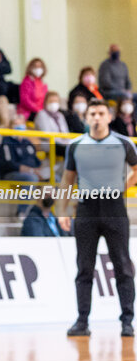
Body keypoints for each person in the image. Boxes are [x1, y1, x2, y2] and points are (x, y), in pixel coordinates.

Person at [59, 99, 137, 337]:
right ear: (86, 117)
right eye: (92, 113)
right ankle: (82, 321)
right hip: (86, 210)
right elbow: (67, 180)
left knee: (123, 266)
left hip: (115, 209)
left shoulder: (123, 144)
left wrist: (123, 186)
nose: (96, 117)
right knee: (84, 267)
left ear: (109, 117)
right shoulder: (76, 145)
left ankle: (127, 321)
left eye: (101, 113)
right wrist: (62, 211)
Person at [0, 114, 45, 216]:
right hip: (12, 174)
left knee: (56, 179)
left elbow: (37, 162)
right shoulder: (7, 142)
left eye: (21, 124)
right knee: (31, 178)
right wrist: (31, 171)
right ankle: (22, 212)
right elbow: (9, 164)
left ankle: (46, 211)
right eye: (16, 124)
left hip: (32, 173)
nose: (20, 127)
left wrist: (40, 171)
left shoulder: (27, 143)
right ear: (11, 127)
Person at [34, 91, 70, 157]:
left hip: (62, 143)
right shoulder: (41, 114)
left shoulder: (60, 115)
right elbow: (46, 135)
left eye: (56, 101)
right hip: (48, 143)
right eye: (51, 101)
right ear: (45, 103)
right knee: (69, 151)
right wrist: (62, 141)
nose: (53, 103)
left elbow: (66, 133)